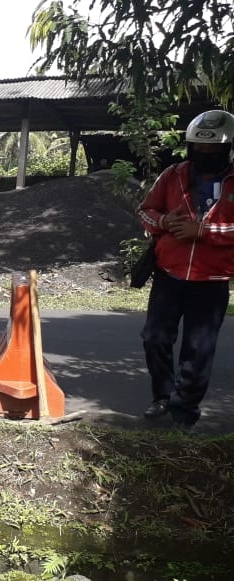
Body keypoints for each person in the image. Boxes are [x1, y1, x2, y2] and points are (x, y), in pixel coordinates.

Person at [136, 109, 234, 430]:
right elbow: (146, 212)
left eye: (213, 149)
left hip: (211, 280)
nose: (204, 154)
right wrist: (164, 222)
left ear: (227, 148)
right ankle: (162, 396)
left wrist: (202, 231)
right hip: (169, 274)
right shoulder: (173, 176)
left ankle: (185, 411)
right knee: (154, 338)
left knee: (197, 349)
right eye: (198, 148)